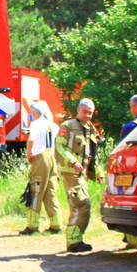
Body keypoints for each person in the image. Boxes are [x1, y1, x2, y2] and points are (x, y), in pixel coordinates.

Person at [55, 98, 100, 253]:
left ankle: (76, 240)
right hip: (70, 172)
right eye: (85, 112)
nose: (88, 116)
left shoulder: (91, 129)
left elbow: (93, 153)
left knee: (82, 205)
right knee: (80, 204)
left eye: (90, 113)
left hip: (83, 174)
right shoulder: (67, 126)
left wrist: (98, 172)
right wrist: (72, 161)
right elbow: (59, 147)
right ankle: (73, 242)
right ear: (78, 111)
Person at [18, 100, 61, 235]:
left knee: (36, 190)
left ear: (34, 113)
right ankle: (56, 224)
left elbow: (31, 140)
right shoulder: (53, 125)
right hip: (52, 158)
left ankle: (32, 226)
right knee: (51, 191)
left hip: (40, 158)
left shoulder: (36, 124)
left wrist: (29, 154)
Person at [117, 93, 137, 249]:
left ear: (136, 107)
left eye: (131, 106)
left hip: (132, 169)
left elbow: (121, 150)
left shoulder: (130, 126)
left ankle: (133, 240)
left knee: (130, 201)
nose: (130, 109)